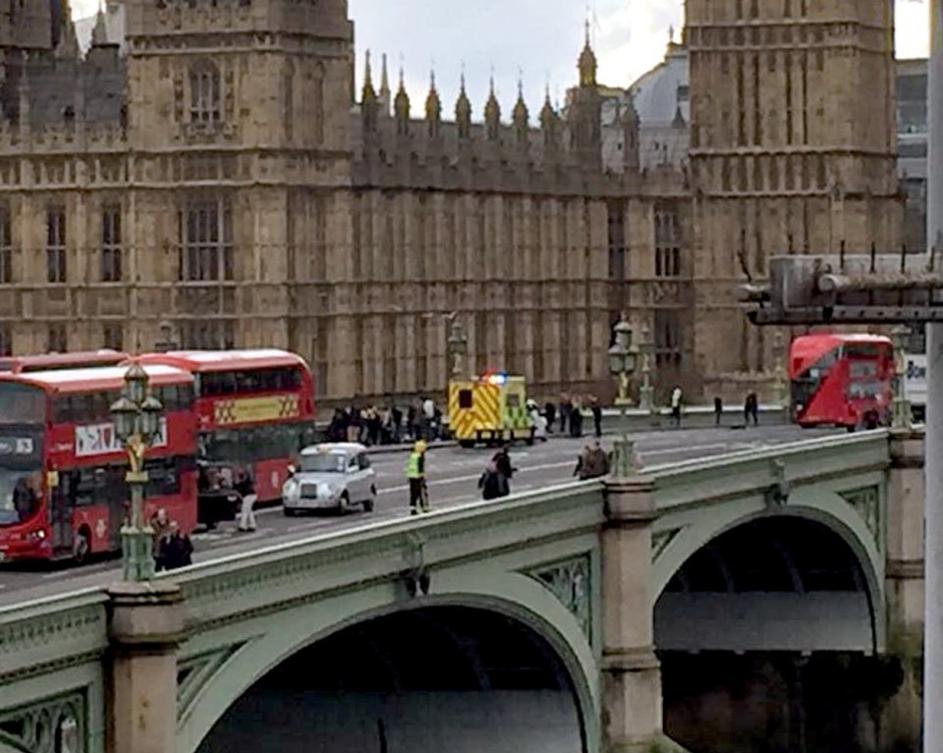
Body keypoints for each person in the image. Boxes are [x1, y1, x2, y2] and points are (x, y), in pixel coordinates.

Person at [405, 440, 430, 515]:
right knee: (422, 492)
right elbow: (420, 468)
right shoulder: (420, 456)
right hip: (418, 477)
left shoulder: (412, 455)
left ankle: (413, 508)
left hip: (411, 477)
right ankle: (424, 507)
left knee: (413, 494)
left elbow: (409, 466)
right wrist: (423, 476)